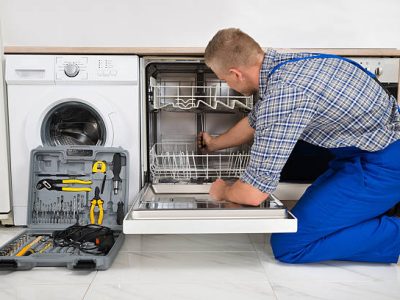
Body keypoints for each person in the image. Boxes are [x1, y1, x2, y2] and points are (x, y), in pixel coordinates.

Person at [199, 28, 400, 264]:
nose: (228, 84)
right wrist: (214, 144)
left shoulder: (285, 95)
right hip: (361, 154)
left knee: (290, 246)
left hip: (383, 164)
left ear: (235, 74)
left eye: (224, 80)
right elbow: (255, 120)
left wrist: (222, 191)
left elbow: (253, 194)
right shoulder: (285, 65)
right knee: (316, 222)